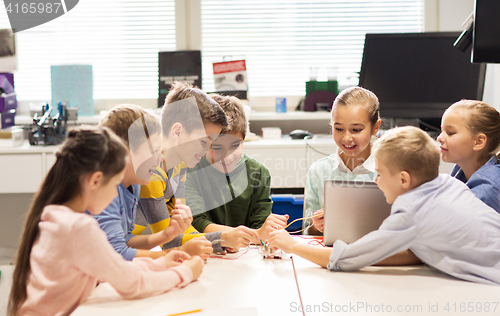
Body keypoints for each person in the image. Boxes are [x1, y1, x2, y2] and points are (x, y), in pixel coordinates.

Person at [8, 127, 203, 316]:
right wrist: (185, 273)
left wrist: (161, 264)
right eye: (115, 184)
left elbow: (110, 268)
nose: (115, 194)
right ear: (95, 181)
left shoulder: (55, 216)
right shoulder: (79, 228)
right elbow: (132, 284)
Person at [269, 126, 500, 285]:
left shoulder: (411, 212)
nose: (376, 181)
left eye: (379, 174)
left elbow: (345, 259)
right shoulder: (449, 183)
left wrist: (292, 245)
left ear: (403, 180)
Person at [94, 103, 204, 260]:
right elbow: (115, 253)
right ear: (125, 152)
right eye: (153, 151)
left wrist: (166, 234)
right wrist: (175, 254)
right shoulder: (105, 192)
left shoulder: (134, 185)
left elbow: (125, 241)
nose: (161, 158)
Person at [133, 83, 232, 256]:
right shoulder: (152, 173)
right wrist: (220, 239)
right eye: (203, 142)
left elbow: (182, 226)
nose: (208, 152)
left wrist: (214, 242)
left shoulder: (179, 165)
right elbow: (168, 240)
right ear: (177, 131)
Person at [186, 94, 288, 251]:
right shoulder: (191, 169)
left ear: (244, 140)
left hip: (247, 257)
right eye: (218, 147)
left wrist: (265, 231)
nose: (227, 156)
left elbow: (261, 226)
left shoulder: (259, 172)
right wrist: (248, 236)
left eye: (235, 145)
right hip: (205, 252)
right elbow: (196, 223)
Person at [304, 86, 381, 235]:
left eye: (356, 130)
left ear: (375, 127)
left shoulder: (390, 169)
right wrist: (316, 226)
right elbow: (308, 232)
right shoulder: (319, 171)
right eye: (339, 129)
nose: (346, 138)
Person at [437, 100, 500, 213]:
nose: (439, 138)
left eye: (450, 133)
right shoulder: (460, 171)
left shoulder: (488, 190)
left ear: (479, 142)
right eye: (442, 131)